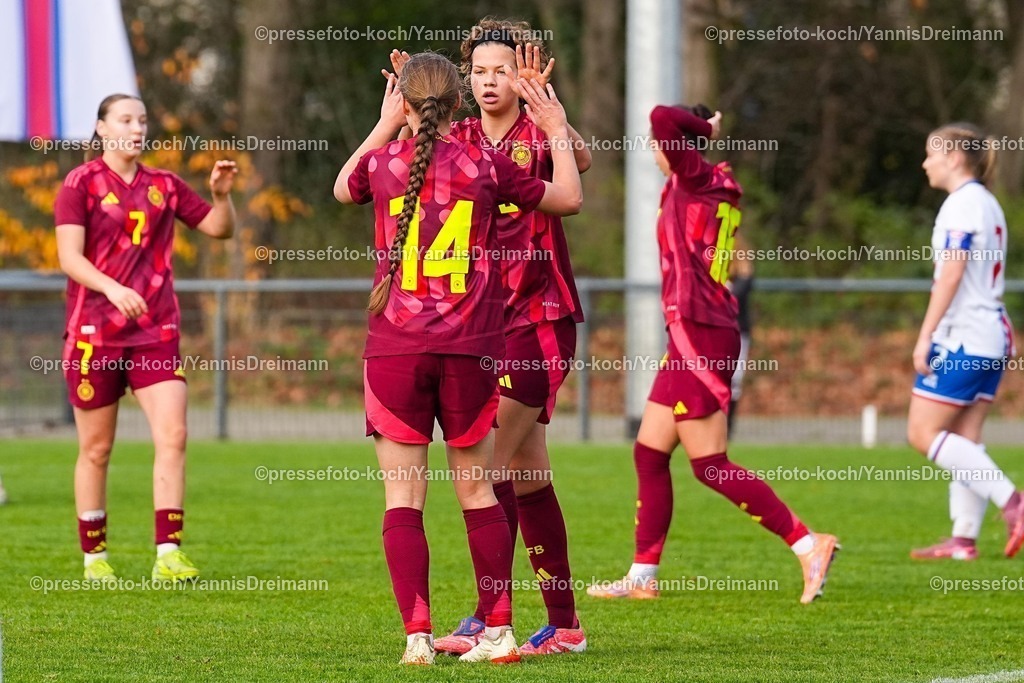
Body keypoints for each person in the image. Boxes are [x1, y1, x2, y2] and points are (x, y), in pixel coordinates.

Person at [333, 52, 582, 665]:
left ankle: (418, 635)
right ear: (459, 101)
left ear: (409, 107)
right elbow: (569, 199)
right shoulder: (484, 162)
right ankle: (499, 629)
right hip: (472, 347)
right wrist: (558, 131)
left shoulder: (387, 163)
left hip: (397, 348)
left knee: (403, 498)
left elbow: (343, 187)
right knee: (482, 487)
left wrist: (387, 121)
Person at [587, 103, 838, 604]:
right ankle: (642, 577)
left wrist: (703, 129)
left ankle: (809, 543)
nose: (653, 148)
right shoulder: (701, 183)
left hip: (700, 333)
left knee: (710, 464)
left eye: (660, 144)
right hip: (695, 329)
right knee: (650, 451)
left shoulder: (694, 177)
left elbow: (660, 115)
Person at [54, 93, 237, 584]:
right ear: (101, 128)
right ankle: (95, 560)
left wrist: (221, 196)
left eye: (142, 119)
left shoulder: (166, 184)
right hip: (94, 334)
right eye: (125, 120)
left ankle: (168, 555)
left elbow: (219, 231)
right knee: (96, 449)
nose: (136, 128)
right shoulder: (80, 184)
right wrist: (112, 289)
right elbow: (69, 257)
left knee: (174, 434)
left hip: (155, 333)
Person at [907, 122, 1024, 561]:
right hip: (991, 331)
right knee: (966, 437)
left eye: (931, 153)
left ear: (954, 157)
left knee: (923, 433)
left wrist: (925, 336)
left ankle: (1014, 502)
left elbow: (952, 274)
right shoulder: (987, 204)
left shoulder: (961, 205)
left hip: (965, 338)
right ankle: (964, 539)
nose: (925, 162)